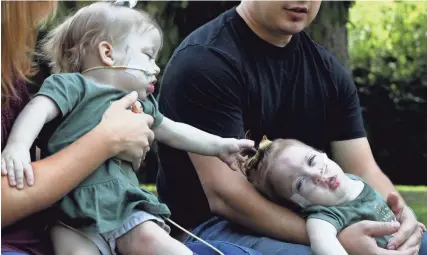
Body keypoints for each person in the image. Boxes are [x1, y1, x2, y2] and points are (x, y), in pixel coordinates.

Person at [156, 1, 427, 254]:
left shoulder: (328, 73)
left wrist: (402, 219)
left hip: (327, 219)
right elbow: (227, 196)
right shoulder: (205, 63)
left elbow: (363, 169)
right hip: (214, 229)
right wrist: (333, 238)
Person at [1, 2, 257, 255]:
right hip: (68, 217)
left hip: (123, 205)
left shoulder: (140, 104)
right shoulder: (71, 86)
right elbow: (36, 110)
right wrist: (17, 146)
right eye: (148, 55)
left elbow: (175, 131)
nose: (156, 67)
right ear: (108, 54)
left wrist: (220, 146)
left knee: (156, 243)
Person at [1, 1, 155, 255]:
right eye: (149, 56)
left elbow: (34, 163)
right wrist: (106, 140)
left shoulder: (11, 76)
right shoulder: (67, 87)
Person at [239, 136, 426, 255]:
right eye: (301, 183)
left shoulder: (353, 180)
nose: (316, 175)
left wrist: (404, 221)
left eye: (312, 160)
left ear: (323, 154)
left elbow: (383, 209)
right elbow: (323, 245)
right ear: (300, 203)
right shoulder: (323, 216)